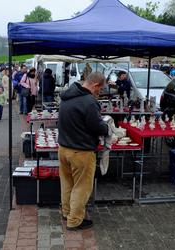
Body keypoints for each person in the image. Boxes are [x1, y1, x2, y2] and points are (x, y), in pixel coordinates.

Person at [58, 72, 109, 231]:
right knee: (82, 187)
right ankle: (74, 220)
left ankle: (67, 213)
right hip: (81, 152)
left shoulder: (66, 97)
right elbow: (97, 127)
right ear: (95, 85)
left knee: (67, 184)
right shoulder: (89, 102)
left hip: (63, 148)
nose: (99, 93)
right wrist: (106, 126)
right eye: (100, 89)